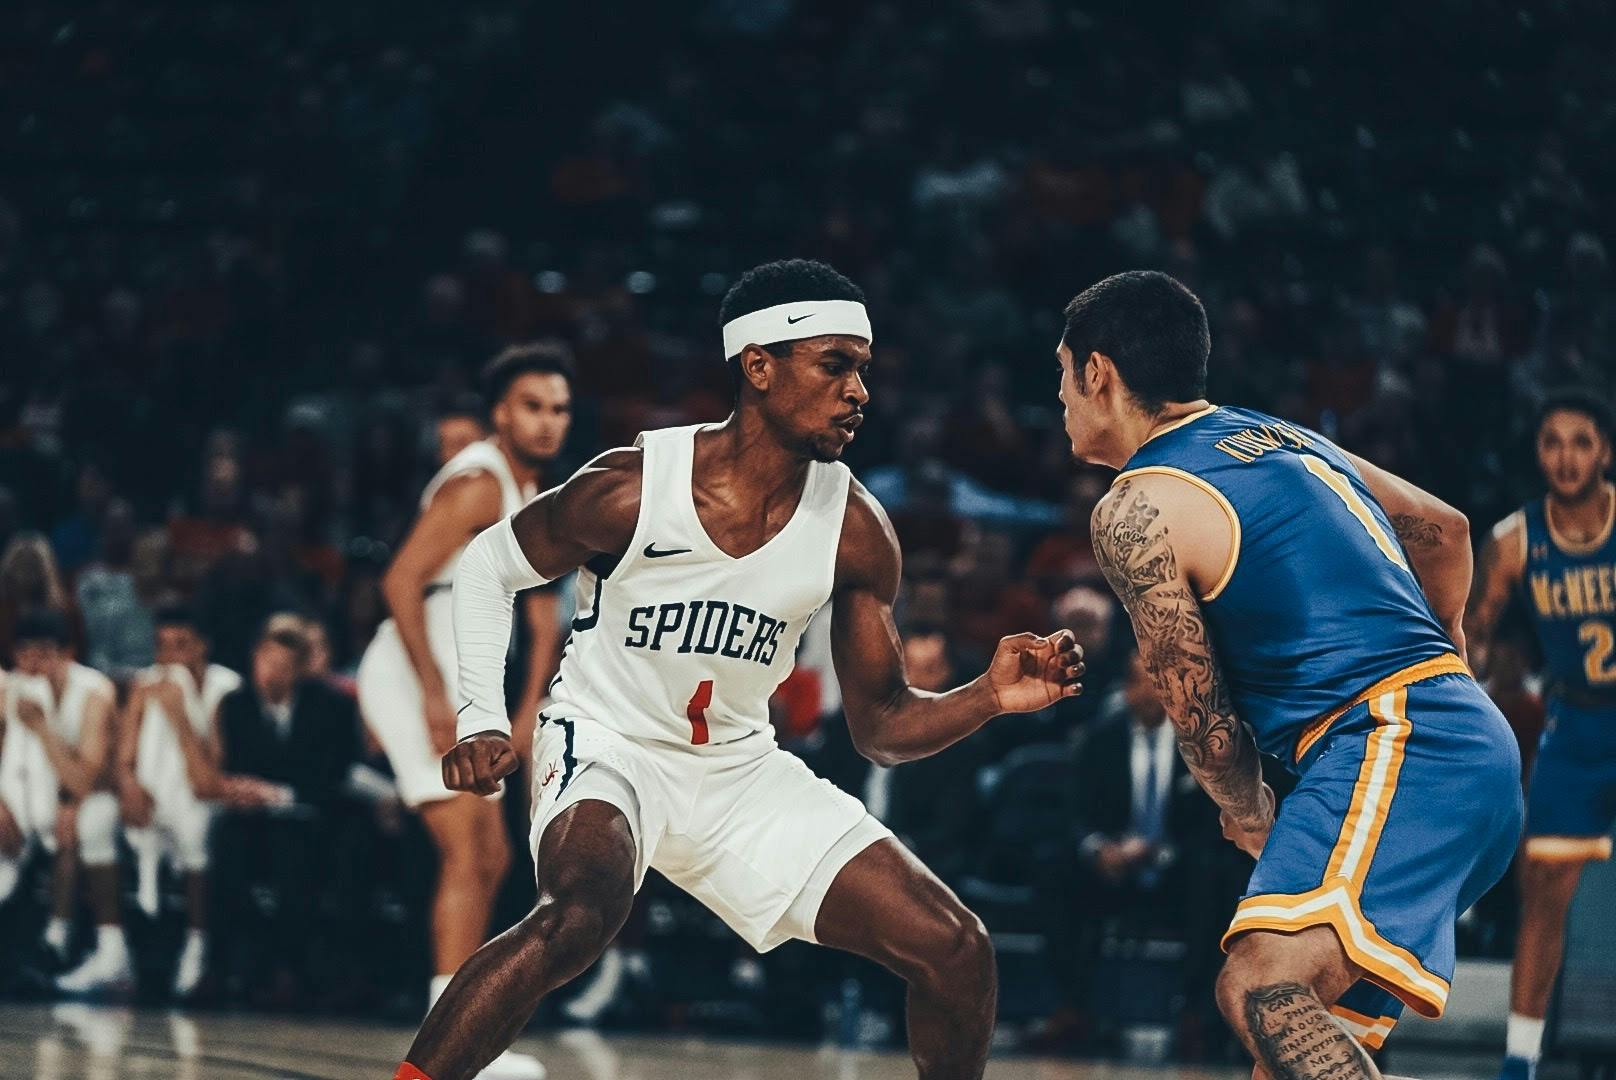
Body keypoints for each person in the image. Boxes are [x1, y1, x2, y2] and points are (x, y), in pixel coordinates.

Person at [394, 259, 1083, 1080]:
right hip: (607, 742)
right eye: (835, 366)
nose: (859, 392)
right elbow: (486, 566)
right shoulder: (633, 488)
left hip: (737, 768)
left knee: (957, 948)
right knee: (579, 913)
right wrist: (478, 713)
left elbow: (882, 729)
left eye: (864, 370)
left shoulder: (856, 529)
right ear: (759, 365)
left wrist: (986, 697)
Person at [1064, 271, 1520, 1079]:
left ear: (1097, 372)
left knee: (1260, 988)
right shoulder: (1283, 438)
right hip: (1448, 738)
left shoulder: (1135, 508)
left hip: (1393, 740)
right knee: (1294, 1054)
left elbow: (1199, 716)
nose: (1061, 397)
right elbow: (1446, 531)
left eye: (1063, 374)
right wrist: (1448, 661)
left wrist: (1248, 815)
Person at [359, 343, 572, 1080]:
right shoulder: (480, 484)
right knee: (466, 850)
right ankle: (448, 1047)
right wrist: (428, 692)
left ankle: (464, 1035)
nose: (547, 422)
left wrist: (527, 707)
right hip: (418, 668)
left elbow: (542, 615)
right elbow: (399, 581)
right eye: (532, 407)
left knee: (494, 856)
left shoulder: (531, 492)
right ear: (501, 415)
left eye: (558, 409)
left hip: (471, 679)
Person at [1466, 390, 1616, 1080]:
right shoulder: (1513, 541)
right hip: (1576, 722)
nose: (1566, 457)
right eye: (1552, 442)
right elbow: (1473, 634)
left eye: (1581, 442)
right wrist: (1470, 674)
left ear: (1605, 452)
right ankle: (1519, 1063)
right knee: (1544, 890)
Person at [60, 605, 241, 996]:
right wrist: (129, 787)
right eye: (162, 646)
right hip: (149, 793)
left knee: (196, 824)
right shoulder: (145, 683)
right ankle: (111, 949)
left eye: (181, 645)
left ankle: (197, 945)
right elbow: (125, 756)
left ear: (202, 647)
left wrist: (178, 716)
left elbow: (213, 773)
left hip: (204, 793)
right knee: (95, 817)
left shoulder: (225, 687)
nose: (170, 657)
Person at [1, 610, 118, 964]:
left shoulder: (94, 693)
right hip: (17, 807)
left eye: (43, 654)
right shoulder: (9, 688)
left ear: (66, 654)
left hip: (76, 800)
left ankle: (59, 940)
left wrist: (42, 728)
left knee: (85, 822)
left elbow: (86, 780)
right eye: (24, 654)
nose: (33, 665)